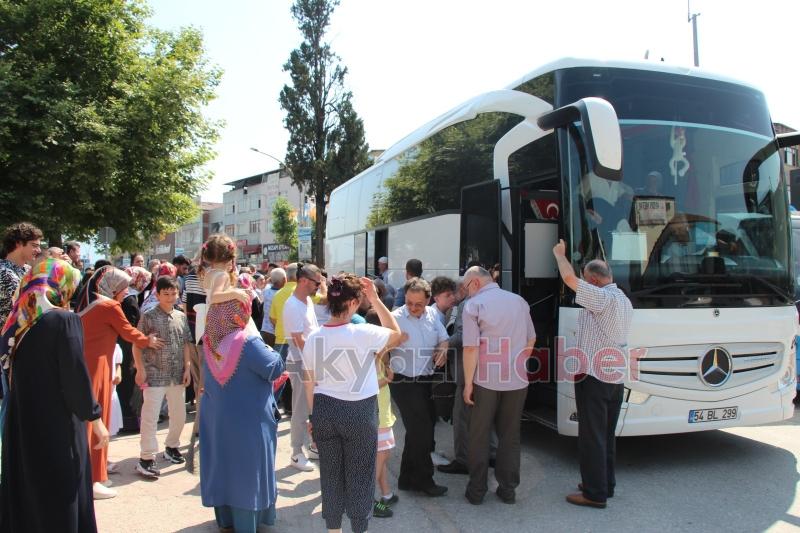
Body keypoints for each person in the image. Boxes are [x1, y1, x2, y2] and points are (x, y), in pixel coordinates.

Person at [0, 258, 109, 533]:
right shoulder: (64, 320)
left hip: (22, 422)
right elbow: (74, 376)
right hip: (57, 425)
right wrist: (95, 419)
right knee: (60, 493)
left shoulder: (19, 322)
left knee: (29, 490)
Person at [302, 275, 402, 533]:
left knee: (331, 476)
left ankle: (333, 530)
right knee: (360, 476)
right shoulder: (363, 332)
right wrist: (377, 301)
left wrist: (314, 417)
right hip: (359, 411)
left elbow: (309, 381)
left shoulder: (314, 337)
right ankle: (359, 528)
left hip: (325, 409)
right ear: (355, 302)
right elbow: (397, 335)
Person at [552, 241, 633, 508]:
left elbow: (567, 278)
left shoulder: (602, 298)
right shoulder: (623, 299)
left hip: (595, 377)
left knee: (591, 436)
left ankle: (594, 493)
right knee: (606, 435)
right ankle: (604, 484)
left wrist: (560, 256)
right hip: (615, 377)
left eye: (587, 282)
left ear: (595, 281)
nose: (584, 286)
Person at [75, 266, 165, 499]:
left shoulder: (89, 301)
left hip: (90, 366)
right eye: (124, 288)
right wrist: (149, 341)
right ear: (113, 287)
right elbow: (128, 332)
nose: (127, 292)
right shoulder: (108, 306)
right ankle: (95, 478)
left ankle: (98, 469)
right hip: (98, 368)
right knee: (97, 422)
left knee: (93, 421)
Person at [200, 290, 284, 532]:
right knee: (248, 469)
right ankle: (249, 522)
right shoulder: (247, 341)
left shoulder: (209, 339)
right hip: (249, 420)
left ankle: (226, 519)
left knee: (223, 464)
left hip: (217, 417)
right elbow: (274, 368)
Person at [462, 266, 536, 506]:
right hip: (517, 379)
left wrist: (467, 383)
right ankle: (508, 489)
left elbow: (471, 347)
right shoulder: (520, 301)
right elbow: (531, 338)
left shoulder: (473, 306)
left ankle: (477, 490)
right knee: (510, 435)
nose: (466, 292)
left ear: (474, 283)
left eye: (465, 287)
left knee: (479, 435)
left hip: (485, 380)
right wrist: (518, 363)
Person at [388, 277, 449, 496]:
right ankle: (424, 480)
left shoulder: (432, 314)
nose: (413, 307)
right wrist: (392, 342)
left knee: (419, 430)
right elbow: (378, 348)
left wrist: (443, 348)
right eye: (409, 302)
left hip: (425, 380)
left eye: (418, 304)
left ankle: (406, 478)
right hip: (403, 381)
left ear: (428, 300)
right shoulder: (394, 318)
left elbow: (444, 337)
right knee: (422, 431)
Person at [133, 276, 192, 477]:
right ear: (157, 294)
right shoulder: (148, 316)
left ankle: (172, 446)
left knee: (179, 415)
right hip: (155, 373)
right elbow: (136, 343)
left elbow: (186, 343)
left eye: (173, 293)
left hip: (177, 374)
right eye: (165, 294)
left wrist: (188, 367)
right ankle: (146, 457)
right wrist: (140, 369)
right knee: (150, 416)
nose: (170, 297)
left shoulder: (181, 316)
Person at [283, 263, 325, 472]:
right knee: (300, 409)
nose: (319, 286)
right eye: (317, 282)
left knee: (312, 407)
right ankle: (296, 452)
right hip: (301, 363)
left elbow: (312, 333)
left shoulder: (306, 301)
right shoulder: (292, 305)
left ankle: (311, 446)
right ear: (304, 281)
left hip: (309, 361)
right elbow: (299, 341)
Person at [119, 266, 152, 432]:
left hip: (124, 344)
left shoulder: (127, 297)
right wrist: (145, 340)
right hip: (128, 345)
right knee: (128, 383)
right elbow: (131, 326)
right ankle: (129, 422)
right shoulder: (129, 299)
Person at [260, 267, 285, 348]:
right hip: (277, 333)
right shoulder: (282, 294)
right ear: (285, 279)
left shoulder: (265, 291)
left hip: (264, 330)